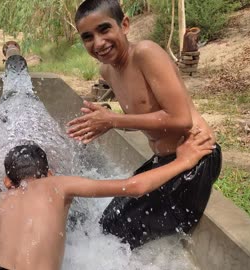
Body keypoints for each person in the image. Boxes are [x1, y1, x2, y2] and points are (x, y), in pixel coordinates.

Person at [66, 0, 222, 249]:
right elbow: (144, 117)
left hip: (195, 157)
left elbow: (182, 119)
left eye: (104, 29)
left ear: (124, 25)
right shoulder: (107, 71)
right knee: (107, 222)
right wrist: (108, 122)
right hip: (164, 161)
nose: (98, 43)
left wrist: (114, 120)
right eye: (88, 37)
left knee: (118, 235)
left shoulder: (146, 53)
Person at [0, 132, 214, 270]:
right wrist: (184, 161)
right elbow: (135, 187)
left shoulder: (0, 199)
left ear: (8, 181)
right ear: (50, 174)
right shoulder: (58, 184)